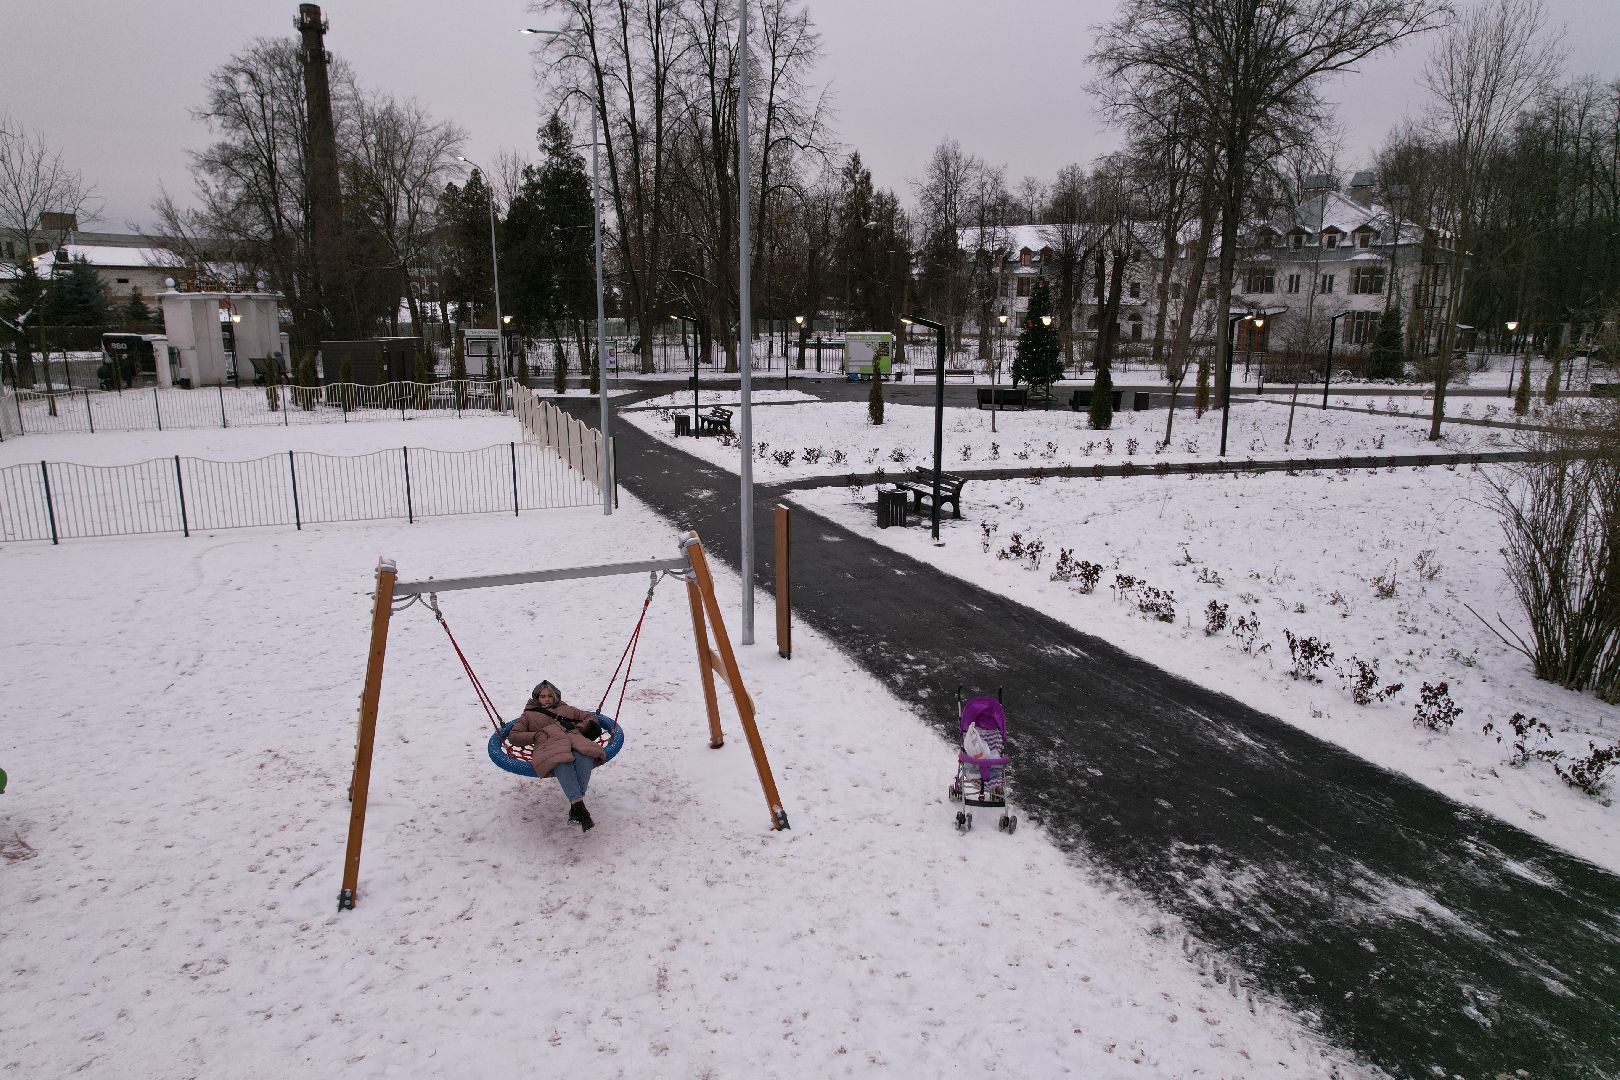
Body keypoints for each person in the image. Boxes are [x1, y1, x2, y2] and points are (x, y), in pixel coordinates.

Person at [506, 680, 606, 830]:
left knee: (584, 757)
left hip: (574, 741)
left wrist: (577, 728)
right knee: (561, 760)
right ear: (536, 697)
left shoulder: (567, 709)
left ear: (556, 696)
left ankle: (576, 808)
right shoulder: (529, 715)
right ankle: (579, 808)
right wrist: (537, 735)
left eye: (550, 696)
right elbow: (514, 736)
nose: (546, 699)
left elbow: (590, 718)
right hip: (549, 747)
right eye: (542, 696)